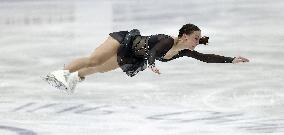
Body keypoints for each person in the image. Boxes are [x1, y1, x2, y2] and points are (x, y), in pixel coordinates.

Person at [44, 23, 249, 94]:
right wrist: (151, 64)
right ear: (185, 36)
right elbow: (154, 51)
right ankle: (59, 74)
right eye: (195, 38)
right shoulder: (168, 41)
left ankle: (74, 77)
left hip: (131, 55)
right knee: (93, 61)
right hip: (123, 41)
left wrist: (231, 60)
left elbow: (205, 57)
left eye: (198, 38)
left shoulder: (182, 51)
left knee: (98, 69)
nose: (197, 41)